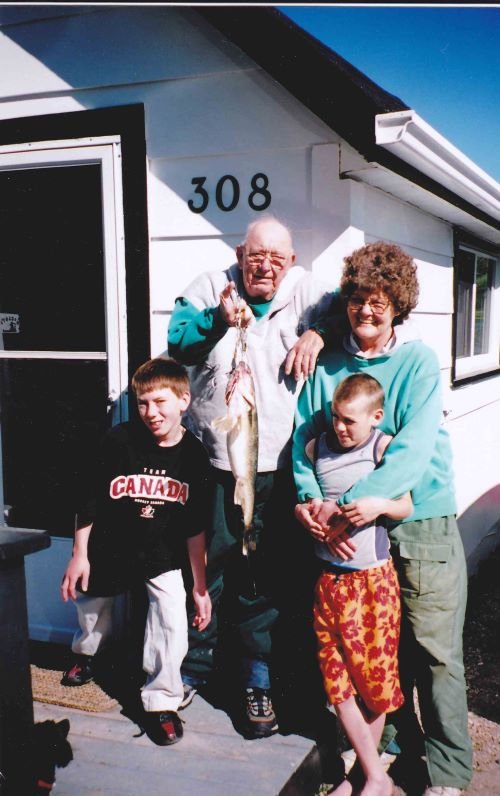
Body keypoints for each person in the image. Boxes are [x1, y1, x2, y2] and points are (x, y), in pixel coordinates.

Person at [294, 241, 473, 796]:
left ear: (397, 305)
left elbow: (413, 449)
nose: (366, 311)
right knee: (369, 649)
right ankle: (384, 756)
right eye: (356, 301)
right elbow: (304, 443)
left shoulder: (417, 362)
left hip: (418, 521)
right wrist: (306, 502)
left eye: (378, 302)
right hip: (346, 537)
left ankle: (447, 771)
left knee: (434, 649)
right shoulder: (328, 365)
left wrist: (358, 506)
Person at [167, 215, 334, 738]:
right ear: (240, 253)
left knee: (265, 574)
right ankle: (197, 666)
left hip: (279, 468)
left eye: (276, 259)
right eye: (255, 256)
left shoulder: (308, 290)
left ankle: (259, 679)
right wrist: (218, 319)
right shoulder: (208, 287)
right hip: (217, 464)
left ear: (290, 262)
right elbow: (178, 344)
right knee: (207, 569)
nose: (265, 267)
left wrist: (317, 331)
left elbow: (357, 312)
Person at [60, 357, 212, 746]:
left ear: (184, 400)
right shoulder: (119, 440)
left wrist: (199, 585)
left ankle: (161, 701)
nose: (151, 412)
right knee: (93, 609)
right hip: (110, 545)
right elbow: (88, 501)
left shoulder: (193, 455)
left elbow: (195, 528)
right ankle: (87, 653)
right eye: (143, 403)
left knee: (172, 620)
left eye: (160, 402)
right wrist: (80, 554)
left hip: (161, 553)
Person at [304, 373, 411, 796]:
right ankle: (374, 776)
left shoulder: (381, 447)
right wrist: (306, 509)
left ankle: (363, 778)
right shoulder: (317, 447)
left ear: (375, 417)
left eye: (350, 420)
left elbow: (405, 504)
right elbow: (305, 488)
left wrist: (377, 505)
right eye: (335, 418)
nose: (340, 428)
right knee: (338, 683)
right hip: (329, 582)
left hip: (372, 584)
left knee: (374, 683)